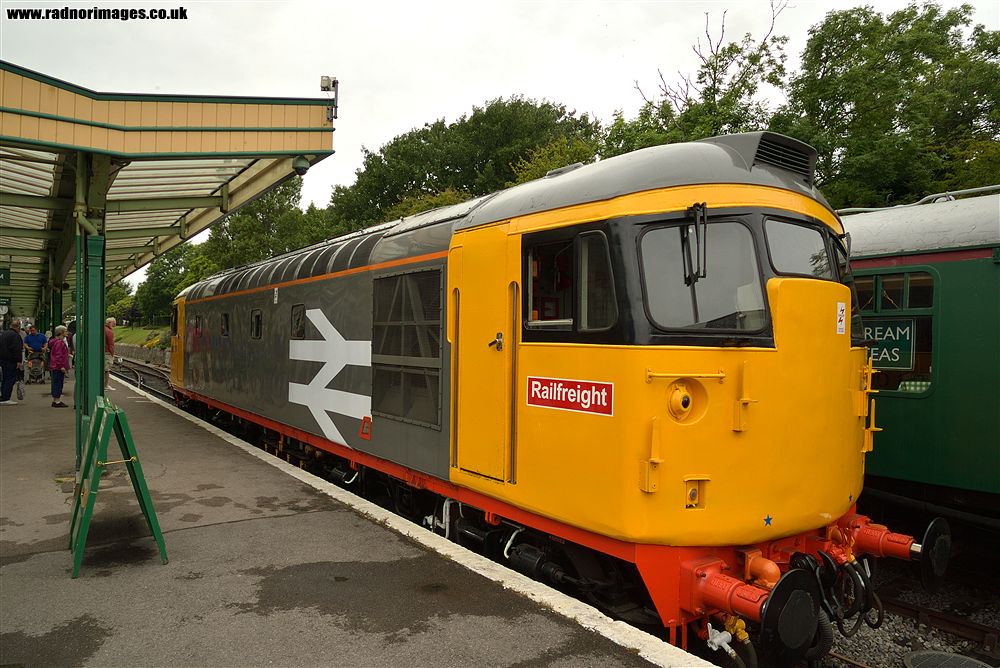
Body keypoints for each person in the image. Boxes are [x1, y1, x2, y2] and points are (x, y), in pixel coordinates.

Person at [0, 320, 23, 405]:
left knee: (4, 379)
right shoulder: (15, 336)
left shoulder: (4, 334)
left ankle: (2, 397)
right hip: (11, 361)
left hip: (3, 360)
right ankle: (6, 398)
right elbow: (16, 349)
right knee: (10, 379)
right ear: (18, 326)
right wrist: (18, 361)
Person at [48, 325, 70, 408]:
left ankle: (55, 400)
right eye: (65, 331)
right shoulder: (59, 343)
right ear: (61, 332)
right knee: (58, 383)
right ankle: (57, 401)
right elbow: (59, 355)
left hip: (55, 366)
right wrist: (62, 366)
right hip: (58, 367)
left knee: (56, 382)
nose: (67, 332)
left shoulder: (55, 342)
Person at [104, 317, 116, 390]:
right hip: (107, 353)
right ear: (109, 323)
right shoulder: (109, 331)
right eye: (113, 323)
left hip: (103, 351)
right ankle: (106, 385)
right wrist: (112, 354)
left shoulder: (103, 329)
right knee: (107, 370)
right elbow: (111, 344)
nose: (114, 325)